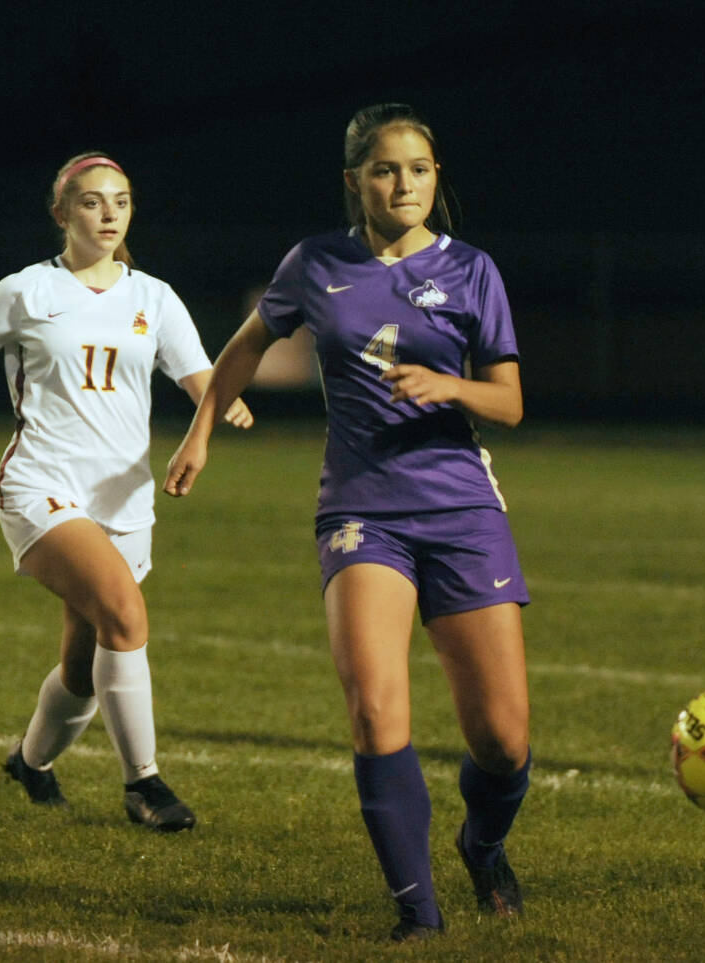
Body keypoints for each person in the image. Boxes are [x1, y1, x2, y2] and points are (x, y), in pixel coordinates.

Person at [164, 104, 532, 941]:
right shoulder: (315, 264)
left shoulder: (473, 270)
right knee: (374, 708)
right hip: (361, 508)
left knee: (504, 741)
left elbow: (509, 400)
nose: (404, 184)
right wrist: (200, 434)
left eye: (420, 169)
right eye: (386, 169)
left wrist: (452, 388)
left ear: (438, 179)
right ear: (354, 181)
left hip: (462, 507)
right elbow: (245, 347)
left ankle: (484, 843)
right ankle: (419, 914)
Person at [0, 151, 252, 830]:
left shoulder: (153, 298)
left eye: (121, 201)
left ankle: (31, 761)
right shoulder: (25, 291)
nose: (109, 214)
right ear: (62, 213)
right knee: (127, 616)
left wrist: (215, 415)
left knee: (85, 659)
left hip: (125, 498)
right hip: (41, 485)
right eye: (92, 201)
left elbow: (202, 378)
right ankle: (145, 785)